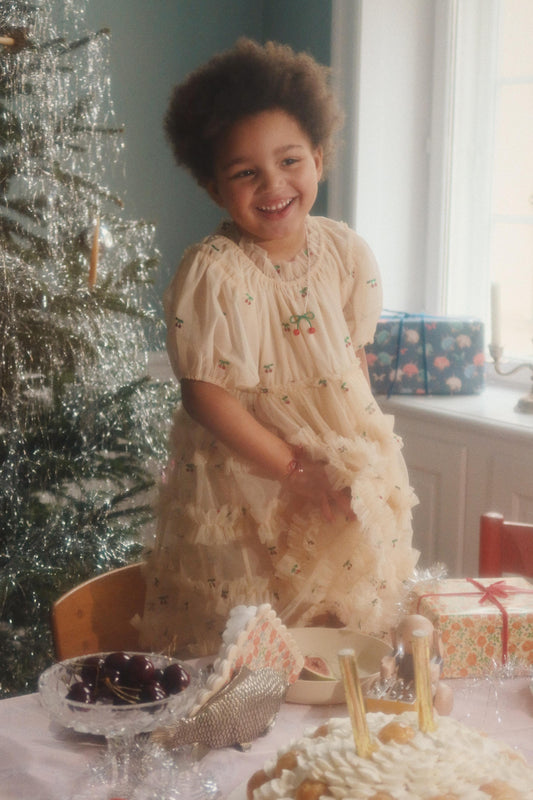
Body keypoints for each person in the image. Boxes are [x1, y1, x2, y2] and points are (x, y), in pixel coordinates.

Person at [138, 38, 419, 657]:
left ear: (318, 157)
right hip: (248, 479)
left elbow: (350, 360)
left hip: (335, 459)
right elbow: (204, 396)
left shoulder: (344, 253)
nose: (274, 184)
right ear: (215, 188)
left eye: (290, 160)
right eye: (245, 172)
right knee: (258, 639)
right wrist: (294, 471)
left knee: (344, 622)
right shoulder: (215, 273)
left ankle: (329, 746)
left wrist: (358, 454)